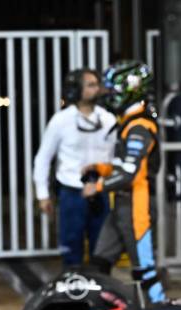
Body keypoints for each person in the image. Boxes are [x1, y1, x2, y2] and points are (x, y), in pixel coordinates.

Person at [82, 60, 166, 304]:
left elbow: (130, 174)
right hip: (122, 206)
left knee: (144, 270)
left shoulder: (140, 126)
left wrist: (96, 186)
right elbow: (128, 167)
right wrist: (100, 168)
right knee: (98, 265)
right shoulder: (130, 123)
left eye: (112, 90)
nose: (108, 95)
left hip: (136, 207)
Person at [33, 68, 116, 267]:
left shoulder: (108, 120)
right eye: (90, 85)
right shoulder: (61, 121)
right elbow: (43, 158)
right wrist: (42, 194)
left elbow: (114, 159)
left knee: (102, 251)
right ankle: (73, 292)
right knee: (71, 252)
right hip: (71, 193)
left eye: (97, 84)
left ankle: (100, 292)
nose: (96, 89)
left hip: (100, 192)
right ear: (75, 89)